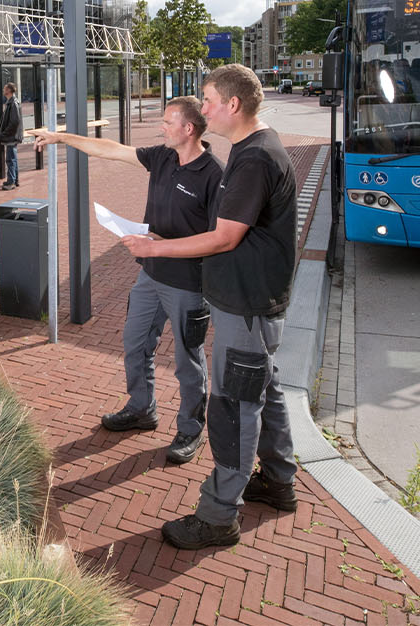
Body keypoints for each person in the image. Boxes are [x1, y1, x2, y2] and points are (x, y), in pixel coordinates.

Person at [123, 64, 299, 550]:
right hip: (246, 302)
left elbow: (225, 236)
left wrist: (154, 248)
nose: (202, 109)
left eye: (207, 99)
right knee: (267, 388)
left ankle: (219, 516)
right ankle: (280, 482)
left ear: (233, 105)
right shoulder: (250, 150)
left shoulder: (254, 159)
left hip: (246, 305)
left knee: (233, 406)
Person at [35, 97, 222, 465]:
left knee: (188, 360)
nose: (162, 128)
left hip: (188, 284)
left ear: (188, 129)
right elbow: (112, 150)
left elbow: (218, 239)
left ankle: (190, 428)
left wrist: (159, 246)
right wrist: (61, 138)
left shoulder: (215, 174)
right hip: (150, 277)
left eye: (168, 122)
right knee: (134, 343)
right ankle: (141, 409)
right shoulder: (163, 157)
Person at [0, 83, 22, 190]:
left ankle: (11, 181)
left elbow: (14, 122)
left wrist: (4, 133)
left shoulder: (13, 104)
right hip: (13, 136)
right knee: (13, 159)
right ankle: (14, 180)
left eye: (5, 88)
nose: (3, 90)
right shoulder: (11, 103)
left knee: (10, 159)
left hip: (12, 136)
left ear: (9, 90)